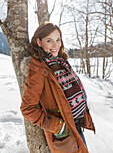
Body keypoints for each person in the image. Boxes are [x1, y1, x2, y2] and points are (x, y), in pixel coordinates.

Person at [20, 22, 95, 153]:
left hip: (77, 122)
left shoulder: (61, 61)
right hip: (65, 130)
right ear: (39, 42)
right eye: (49, 41)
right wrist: (59, 127)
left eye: (58, 40)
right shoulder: (39, 69)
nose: (55, 45)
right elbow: (27, 109)